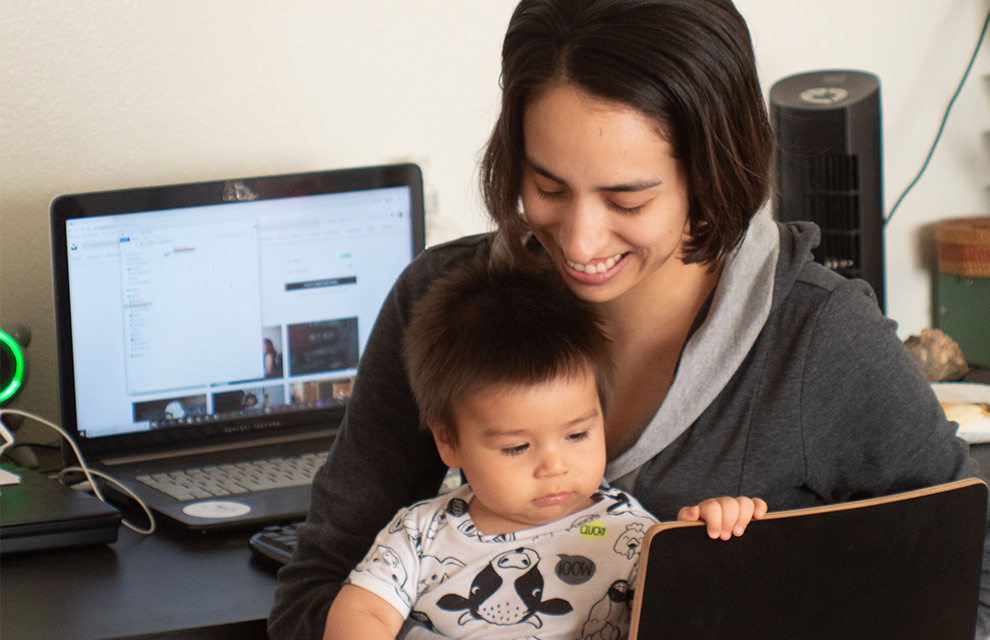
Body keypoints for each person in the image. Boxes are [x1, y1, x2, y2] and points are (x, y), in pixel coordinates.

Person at [270, 1, 990, 638]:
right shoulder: (447, 304)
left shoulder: (816, 339)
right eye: (547, 186)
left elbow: (971, 588)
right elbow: (317, 585)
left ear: (711, 175)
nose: (580, 243)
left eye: (628, 200)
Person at [323, 261, 767, 639]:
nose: (555, 465)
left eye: (577, 436)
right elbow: (364, 612)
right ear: (449, 441)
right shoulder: (420, 534)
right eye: (517, 447)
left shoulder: (629, 535)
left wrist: (701, 543)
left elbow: (688, 616)